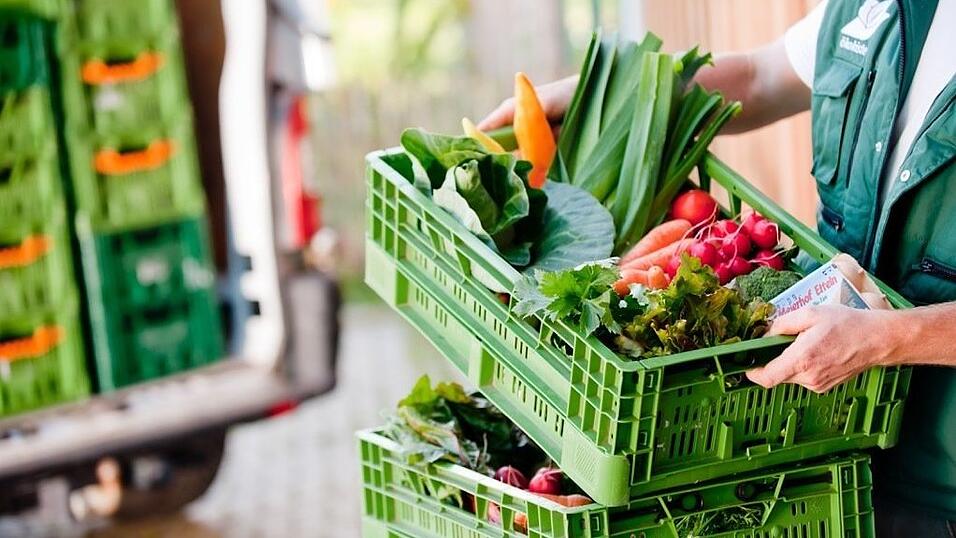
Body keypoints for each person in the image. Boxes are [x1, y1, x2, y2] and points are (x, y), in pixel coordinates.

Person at [480, 1, 955, 536]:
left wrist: (888, 337)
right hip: (822, 445)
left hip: (939, 482)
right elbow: (761, 75)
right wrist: (609, 95)